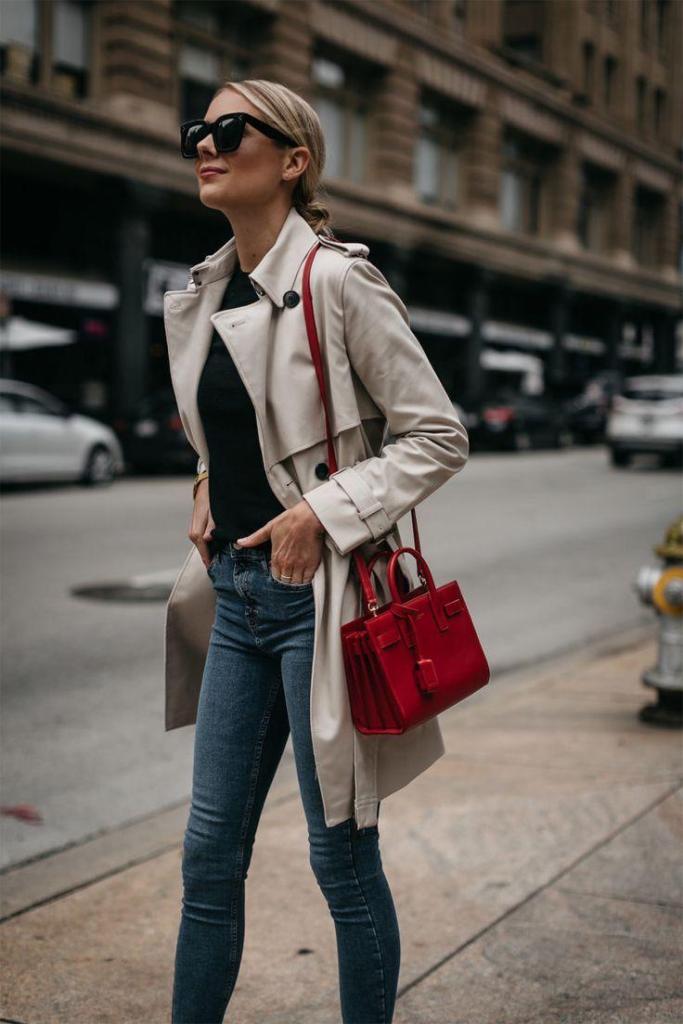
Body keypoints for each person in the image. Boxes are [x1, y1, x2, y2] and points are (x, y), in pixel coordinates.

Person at [166, 78, 469, 1024]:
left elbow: (437, 434)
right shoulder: (206, 288)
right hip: (238, 594)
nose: (204, 145)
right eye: (197, 131)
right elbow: (231, 430)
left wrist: (321, 512)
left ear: (293, 160)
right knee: (209, 851)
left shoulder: (339, 281)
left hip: (321, 601)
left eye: (228, 130)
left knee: (339, 852)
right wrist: (208, 483)